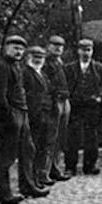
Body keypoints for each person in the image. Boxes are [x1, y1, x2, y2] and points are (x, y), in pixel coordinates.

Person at [0, 35, 49, 204]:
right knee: (6, 156)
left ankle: (27, 186)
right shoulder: (1, 66)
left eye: (21, 49)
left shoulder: (16, 66)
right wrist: (9, 116)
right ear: (6, 48)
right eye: (15, 48)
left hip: (22, 112)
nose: (18, 52)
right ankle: (3, 192)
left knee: (28, 150)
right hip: (11, 115)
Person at [63, 39, 102, 176]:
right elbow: (64, 86)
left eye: (88, 50)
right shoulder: (69, 68)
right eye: (83, 50)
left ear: (92, 51)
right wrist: (69, 98)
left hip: (93, 108)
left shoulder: (99, 68)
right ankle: (70, 167)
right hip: (76, 107)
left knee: (92, 137)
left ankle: (90, 166)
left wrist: (100, 96)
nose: (86, 53)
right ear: (78, 51)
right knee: (72, 137)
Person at [21, 45, 57, 189]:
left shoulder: (43, 74)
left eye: (41, 58)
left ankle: (39, 177)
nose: (38, 60)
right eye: (35, 57)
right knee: (32, 149)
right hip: (33, 115)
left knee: (42, 147)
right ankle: (31, 180)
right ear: (28, 57)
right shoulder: (25, 73)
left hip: (45, 115)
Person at [45, 35, 72, 182]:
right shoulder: (46, 63)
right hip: (54, 101)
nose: (58, 48)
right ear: (48, 46)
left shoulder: (59, 62)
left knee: (60, 137)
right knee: (51, 138)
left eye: (60, 46)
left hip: (64, 100)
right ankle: (45, 171)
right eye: (54, 45)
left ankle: (55, 168)